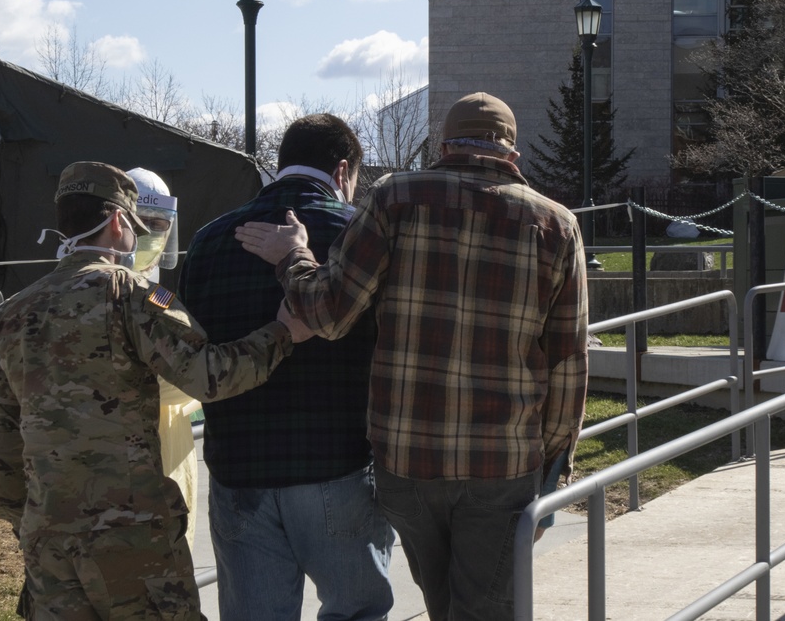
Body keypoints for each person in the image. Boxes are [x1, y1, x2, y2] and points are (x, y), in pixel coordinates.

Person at [236, 92, 589, 621]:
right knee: (488, 609)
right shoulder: (557, 226)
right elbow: (569, 363)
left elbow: (329, 314)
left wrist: (293, 256)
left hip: (407, 462)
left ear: (445, 145)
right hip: (503, 464)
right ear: (511, 154)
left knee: (441, 602)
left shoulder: (393, 198)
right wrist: (553, 471)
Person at [0, 161, 310, 621]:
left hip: (48, 539)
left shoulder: (12, 313)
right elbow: (209, 375)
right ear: (118, 222)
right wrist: (282, 333)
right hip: (130, 541)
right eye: (135, 226)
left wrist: (26, 520)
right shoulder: (132, 294)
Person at [179, 114, 394, 621]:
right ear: (343, 171)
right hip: (337, 463)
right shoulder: (362, 237)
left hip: (238, 468)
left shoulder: (208, 241)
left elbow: (182, 334)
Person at [126, 167, 201, 550]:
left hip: (171, 452)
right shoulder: (104, 287)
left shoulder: (157, 294)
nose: (151, 234)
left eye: (159, 224)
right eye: (143, 223)